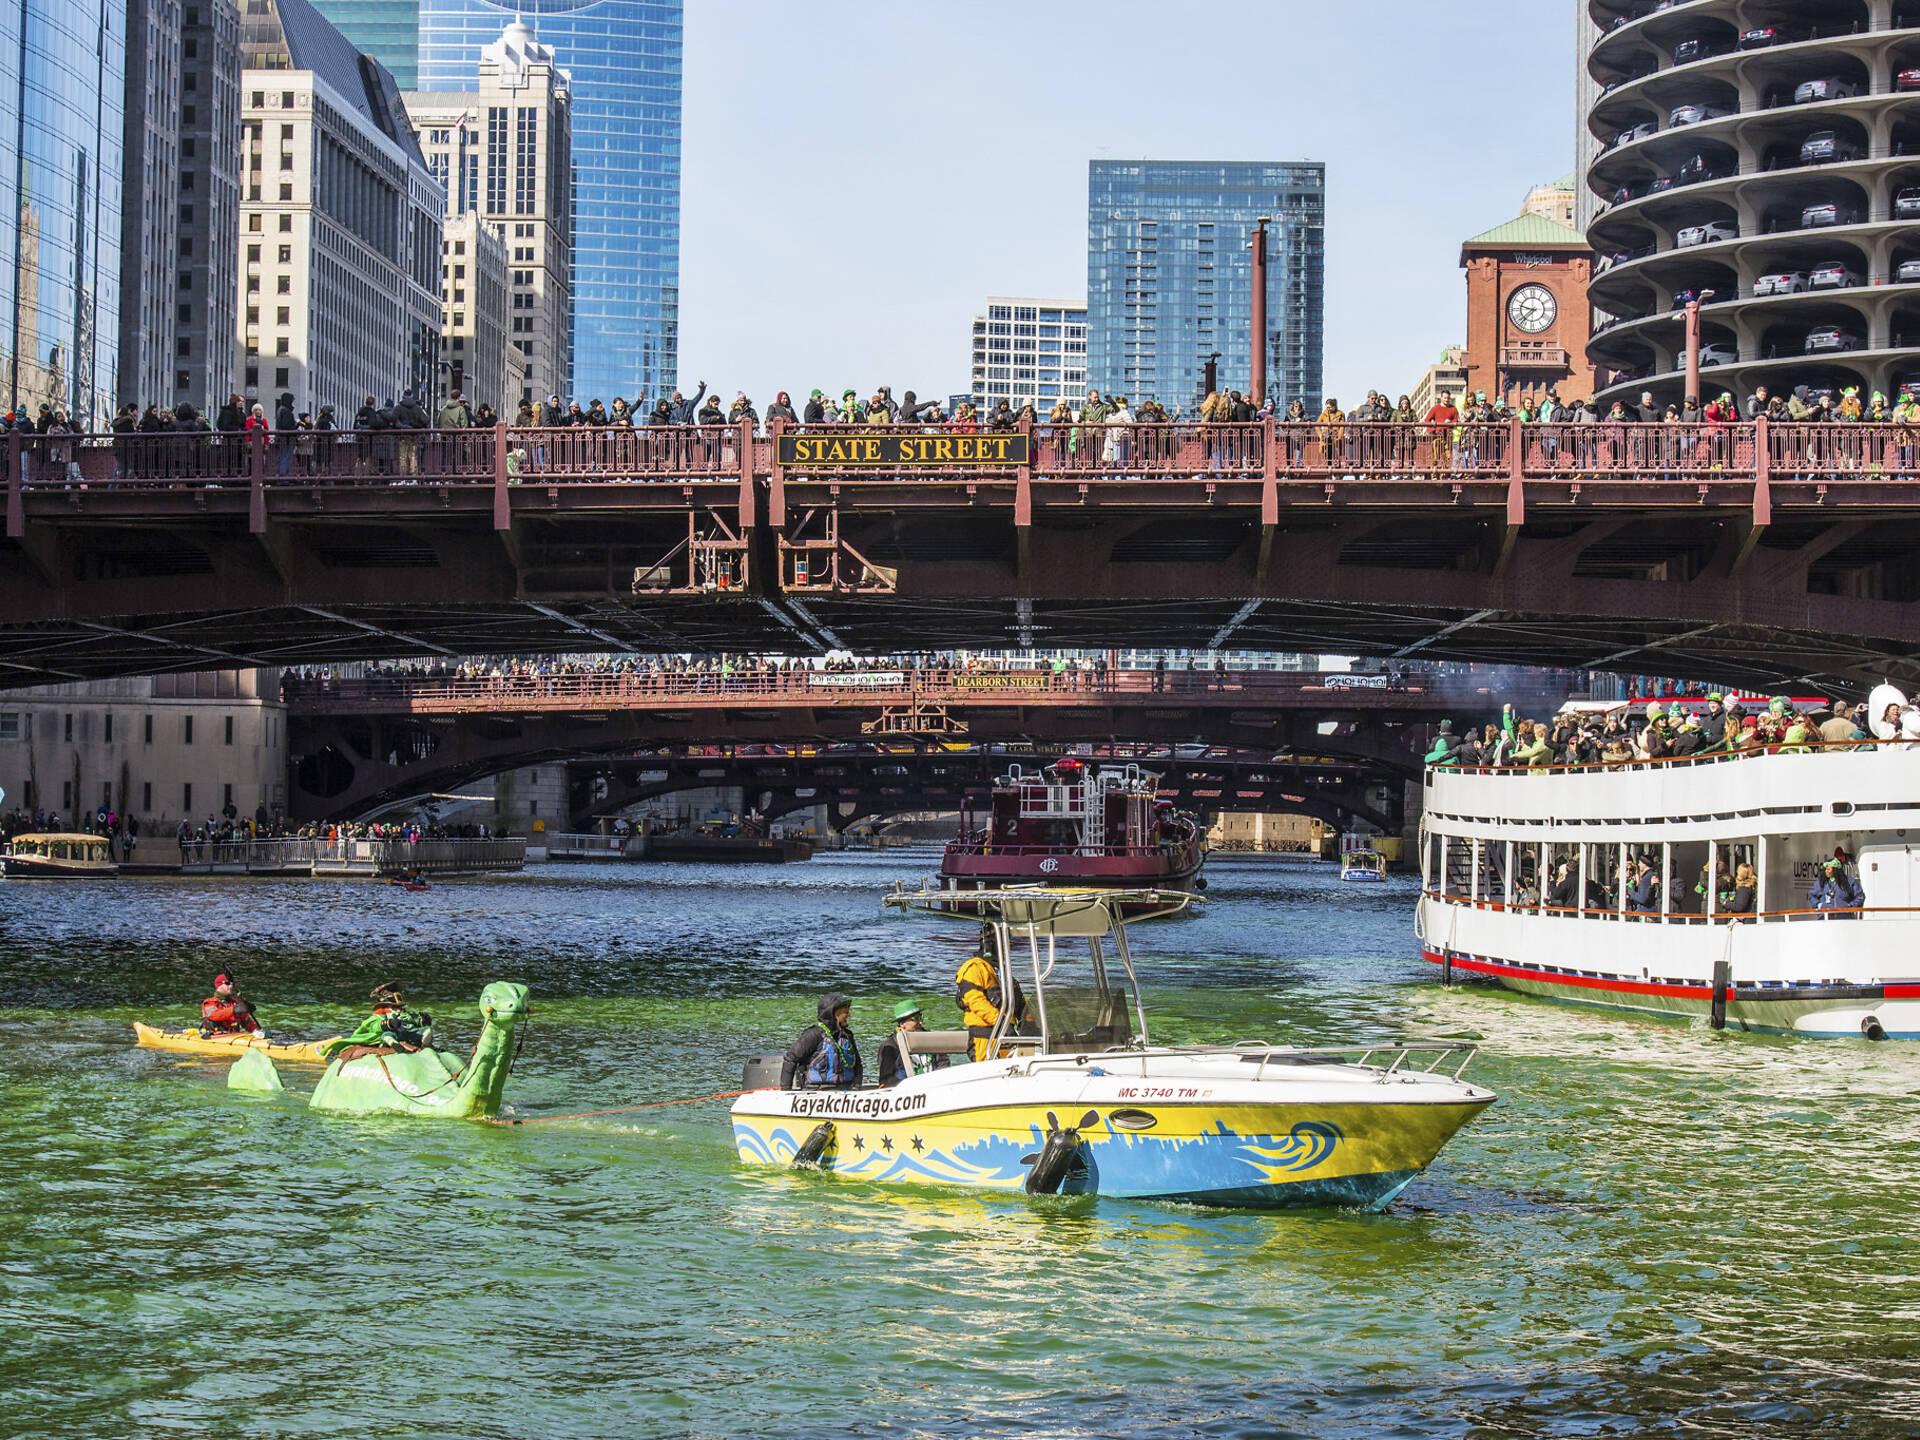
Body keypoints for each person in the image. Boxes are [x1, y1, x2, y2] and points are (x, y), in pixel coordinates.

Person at [955, 927, 1031, 1062]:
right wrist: (1002, 1024)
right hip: (985, 1041)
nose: (1007, 948)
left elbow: (1020, 1003)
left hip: (1008, 1039)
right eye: (1002, 943)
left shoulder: (1003, 973)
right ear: (989, 945)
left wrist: (1031, 1023)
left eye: (1007, 943)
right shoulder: (973, 967)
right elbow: (977, 1002)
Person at [325, 982, 434, 1057]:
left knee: (421, 1031)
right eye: (394, 1008)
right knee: (387, 1035)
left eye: (400, 1007)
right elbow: (374, 1026)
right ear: (384, 1008)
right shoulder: (376, 1018)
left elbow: (415, 1019)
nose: (398, 1011)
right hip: (384, 1037)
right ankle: (393, 1043)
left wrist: (423, 1020)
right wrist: (388, 1023)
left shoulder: (406, 1015)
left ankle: (425, 1043)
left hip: (407, 1034)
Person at [780, 992, 863, 1089]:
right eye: (845, 1012)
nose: (849, 1015)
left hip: (845, 1093)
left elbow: (858, 1066)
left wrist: (856, 1086)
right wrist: (786, 1091)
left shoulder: (848, 1036)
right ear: (833, 1013)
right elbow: (790, 1059)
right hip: (815, 1094)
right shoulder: (813, 1035)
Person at [876, 1001, 951, 1086]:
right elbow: (886, 1080)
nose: (920, 1022)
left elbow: (944, 1065)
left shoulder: (932, 1039)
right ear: (902, 1024)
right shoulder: (890, 1046)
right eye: (916, 1019)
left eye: (921, 1017)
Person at [200, 972, 264, 1037]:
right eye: (227, 984)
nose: (231, 986)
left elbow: (247, 1023)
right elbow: (214, 1015)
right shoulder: (209, 1002)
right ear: (219, 986)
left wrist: (257, 1031)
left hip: (234, 1037)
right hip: (215, 1037)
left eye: (231, 984)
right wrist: (234, 1009)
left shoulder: (235, 1003)